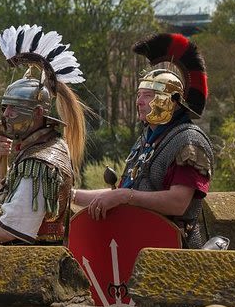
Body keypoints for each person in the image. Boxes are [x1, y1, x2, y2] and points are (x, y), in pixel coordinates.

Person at [72, 33, 213, 248]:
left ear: (171, 101)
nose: (139, 102)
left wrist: (124, 196)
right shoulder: (146, 140)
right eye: (138, 95)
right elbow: (121, 193)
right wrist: (72, 195)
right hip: (135, 243)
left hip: (173, 250)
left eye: (147, 95)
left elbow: (178, 203)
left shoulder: (189, 141)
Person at [0, 25, 86, 245]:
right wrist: (0, 164)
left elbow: (13, 228)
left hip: (36, 266)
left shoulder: (40, 161)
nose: (6, 114)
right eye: (5, 107)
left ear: (38, 113)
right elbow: (13, 204)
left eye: (14, 108)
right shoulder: (46, 146)